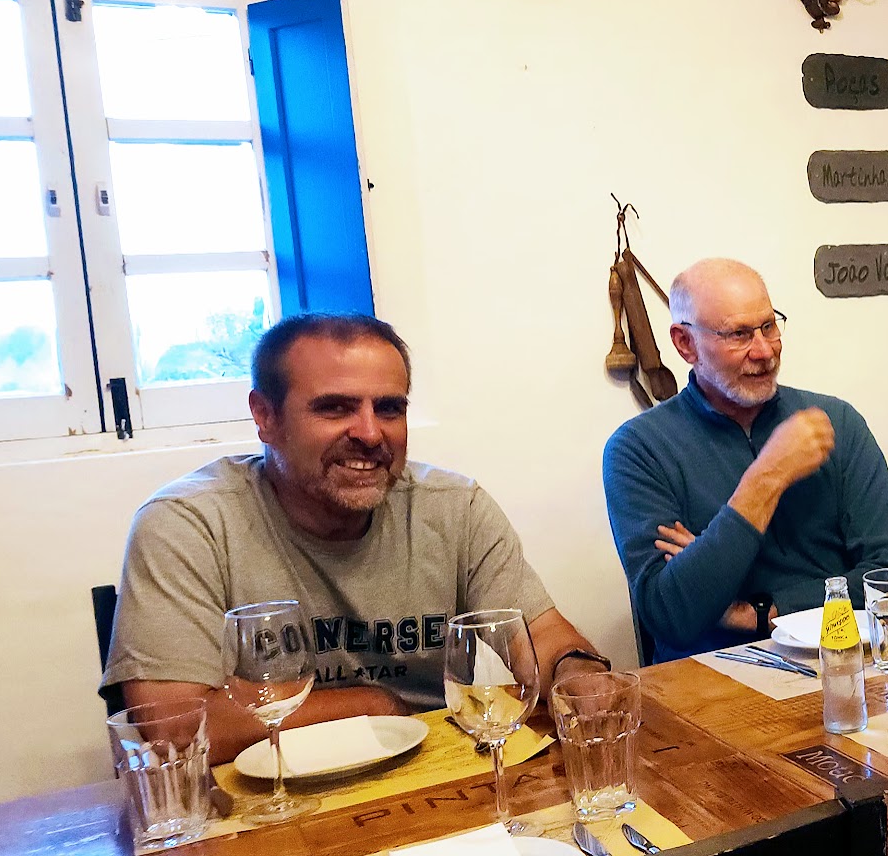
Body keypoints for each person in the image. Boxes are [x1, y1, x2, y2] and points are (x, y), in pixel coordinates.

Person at [102, 313, 603, 763]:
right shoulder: (186, 524)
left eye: (389, 408)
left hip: (432, 776)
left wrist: (576, 674)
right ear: (265, 416)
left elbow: (541, 637)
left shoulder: (456, 508)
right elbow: (173, 726)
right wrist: (373, 706)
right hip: (268, 799)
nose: (369, 433)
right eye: (335, 408)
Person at [602, 258, 888, 662]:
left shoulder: (834, 422)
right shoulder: (638, 450)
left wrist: (758, 612)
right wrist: (768, 475)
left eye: (768, 326)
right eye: (739, 334)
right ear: (685, 344)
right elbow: (673, 616)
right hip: (713, 679)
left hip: (845, 662)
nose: (765, 351)